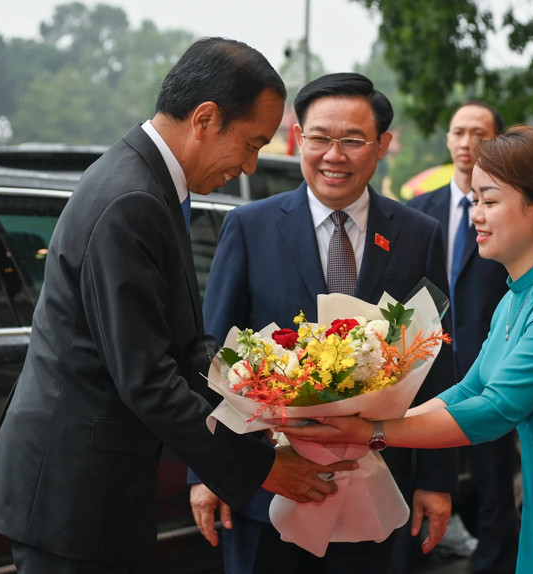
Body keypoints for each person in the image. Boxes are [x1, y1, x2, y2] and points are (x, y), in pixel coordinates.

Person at [0, 37, 354, 573]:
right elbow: (146, 376)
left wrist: (263, 400)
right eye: (249, 143)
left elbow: (181, 346)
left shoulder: (148, 183)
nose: (247, 167)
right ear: (205, 118)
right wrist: (262, 465)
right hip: (74, 494)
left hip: (94, 489)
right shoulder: (133, 198)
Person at [283, 125, 533, 573]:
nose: (476, 214)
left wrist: (372, 433)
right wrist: (359, 423)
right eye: (475, 200)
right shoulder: (517, 295)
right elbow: (469, 389)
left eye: (490, 201)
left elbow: (495, 410)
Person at [189, 72, 458, 574]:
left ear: (382, 146)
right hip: (265, 485)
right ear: (298, 140)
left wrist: (436, 480)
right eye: (319, 138)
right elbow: (214, 359)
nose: (335, 155)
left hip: (379, 489)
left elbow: (435, 361)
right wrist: (207, 472)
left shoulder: (419, 235)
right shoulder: (248, 227)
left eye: (353, 140)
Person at [407, 100, 519, 574]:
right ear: (448, 140)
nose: (466, 143)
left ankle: (494, 561)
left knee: (493, 476)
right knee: (418, 468)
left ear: (494, 142)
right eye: (457, 132)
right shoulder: (417, 211)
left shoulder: (510, 212)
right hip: (420, 365)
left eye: (479, 133)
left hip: (487, 367)